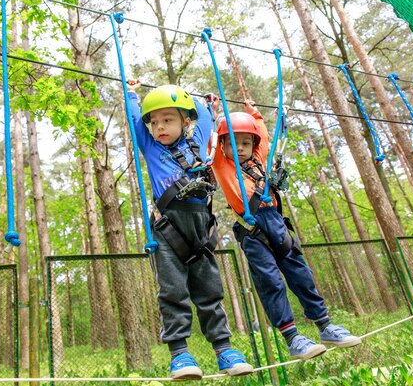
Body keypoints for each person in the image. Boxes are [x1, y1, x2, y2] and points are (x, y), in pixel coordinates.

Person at [212, 100, 362, 361]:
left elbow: (263, 136)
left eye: (246, 144)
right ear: (224, 146)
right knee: (270, 281)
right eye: (233, 144)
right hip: (253, 229)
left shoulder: (258, 160)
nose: (240, 149)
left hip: (277, 224)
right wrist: (212, 114)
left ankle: (325, 325)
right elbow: (212, 142)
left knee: (302, 274)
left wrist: (254, 113)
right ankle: (292, 338)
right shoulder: (223, 165)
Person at [127, 79, 253, 380]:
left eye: (168, 120)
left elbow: (204, 114)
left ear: (185, 122)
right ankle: (180, 353)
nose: (159, 127)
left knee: (209, 288)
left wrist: (195, 98)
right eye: (154, 122)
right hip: (168, 226)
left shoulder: (196, 140)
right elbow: (135, 120)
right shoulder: (150, 147)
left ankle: (224, 349)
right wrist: (132, 93)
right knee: (172, 290)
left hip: (200, 226)